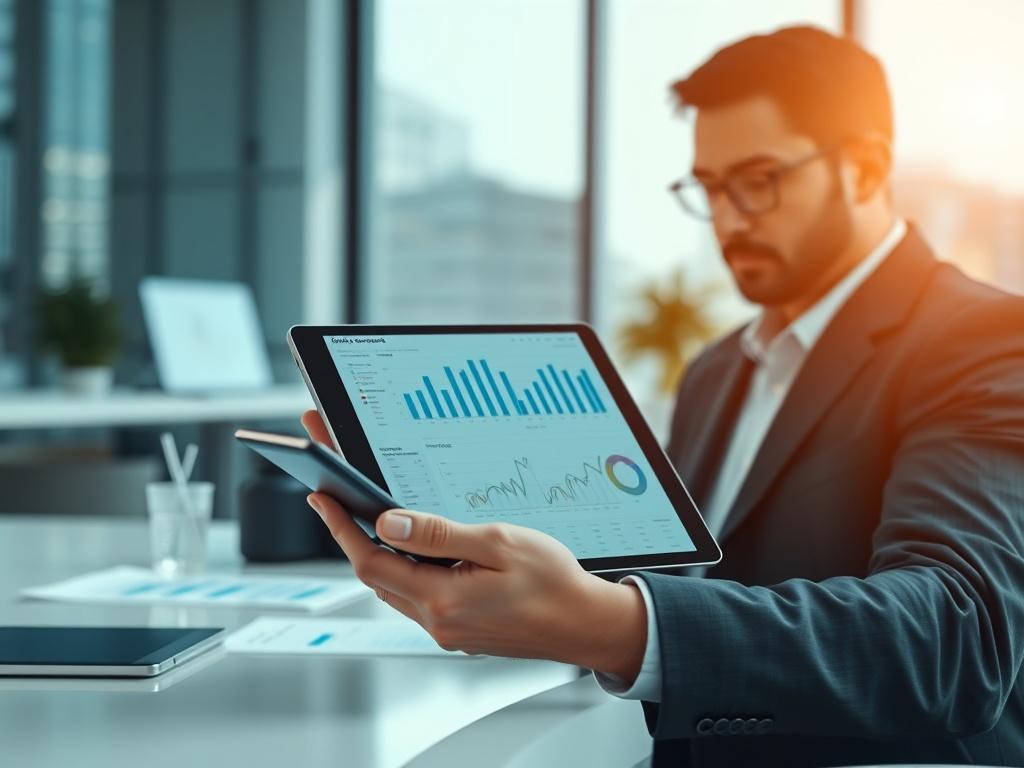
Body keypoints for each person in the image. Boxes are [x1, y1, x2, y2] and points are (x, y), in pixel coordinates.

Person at [303, 26, 1024, 767]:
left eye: (758, 181)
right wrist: (490, 561)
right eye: (708, 188)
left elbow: (958, 639)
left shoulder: (985, 338)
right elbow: (680, 579)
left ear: (865, 168)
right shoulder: (718, 370)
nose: (728, 218)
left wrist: (614, 627)